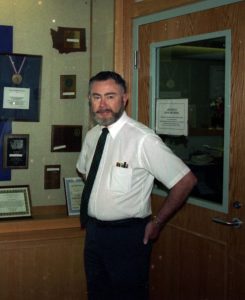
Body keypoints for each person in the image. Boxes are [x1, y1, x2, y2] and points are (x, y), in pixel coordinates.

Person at [76, 71, 197, 300]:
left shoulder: (142, 139)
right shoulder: (92, 136)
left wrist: (158, 222)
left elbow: (185, 181)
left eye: (110, 96)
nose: (102, 104)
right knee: (97, 293)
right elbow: (85, 173)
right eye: (96, 97)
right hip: (94, 234)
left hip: (127, 237)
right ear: (89, 100)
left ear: (124, 99)